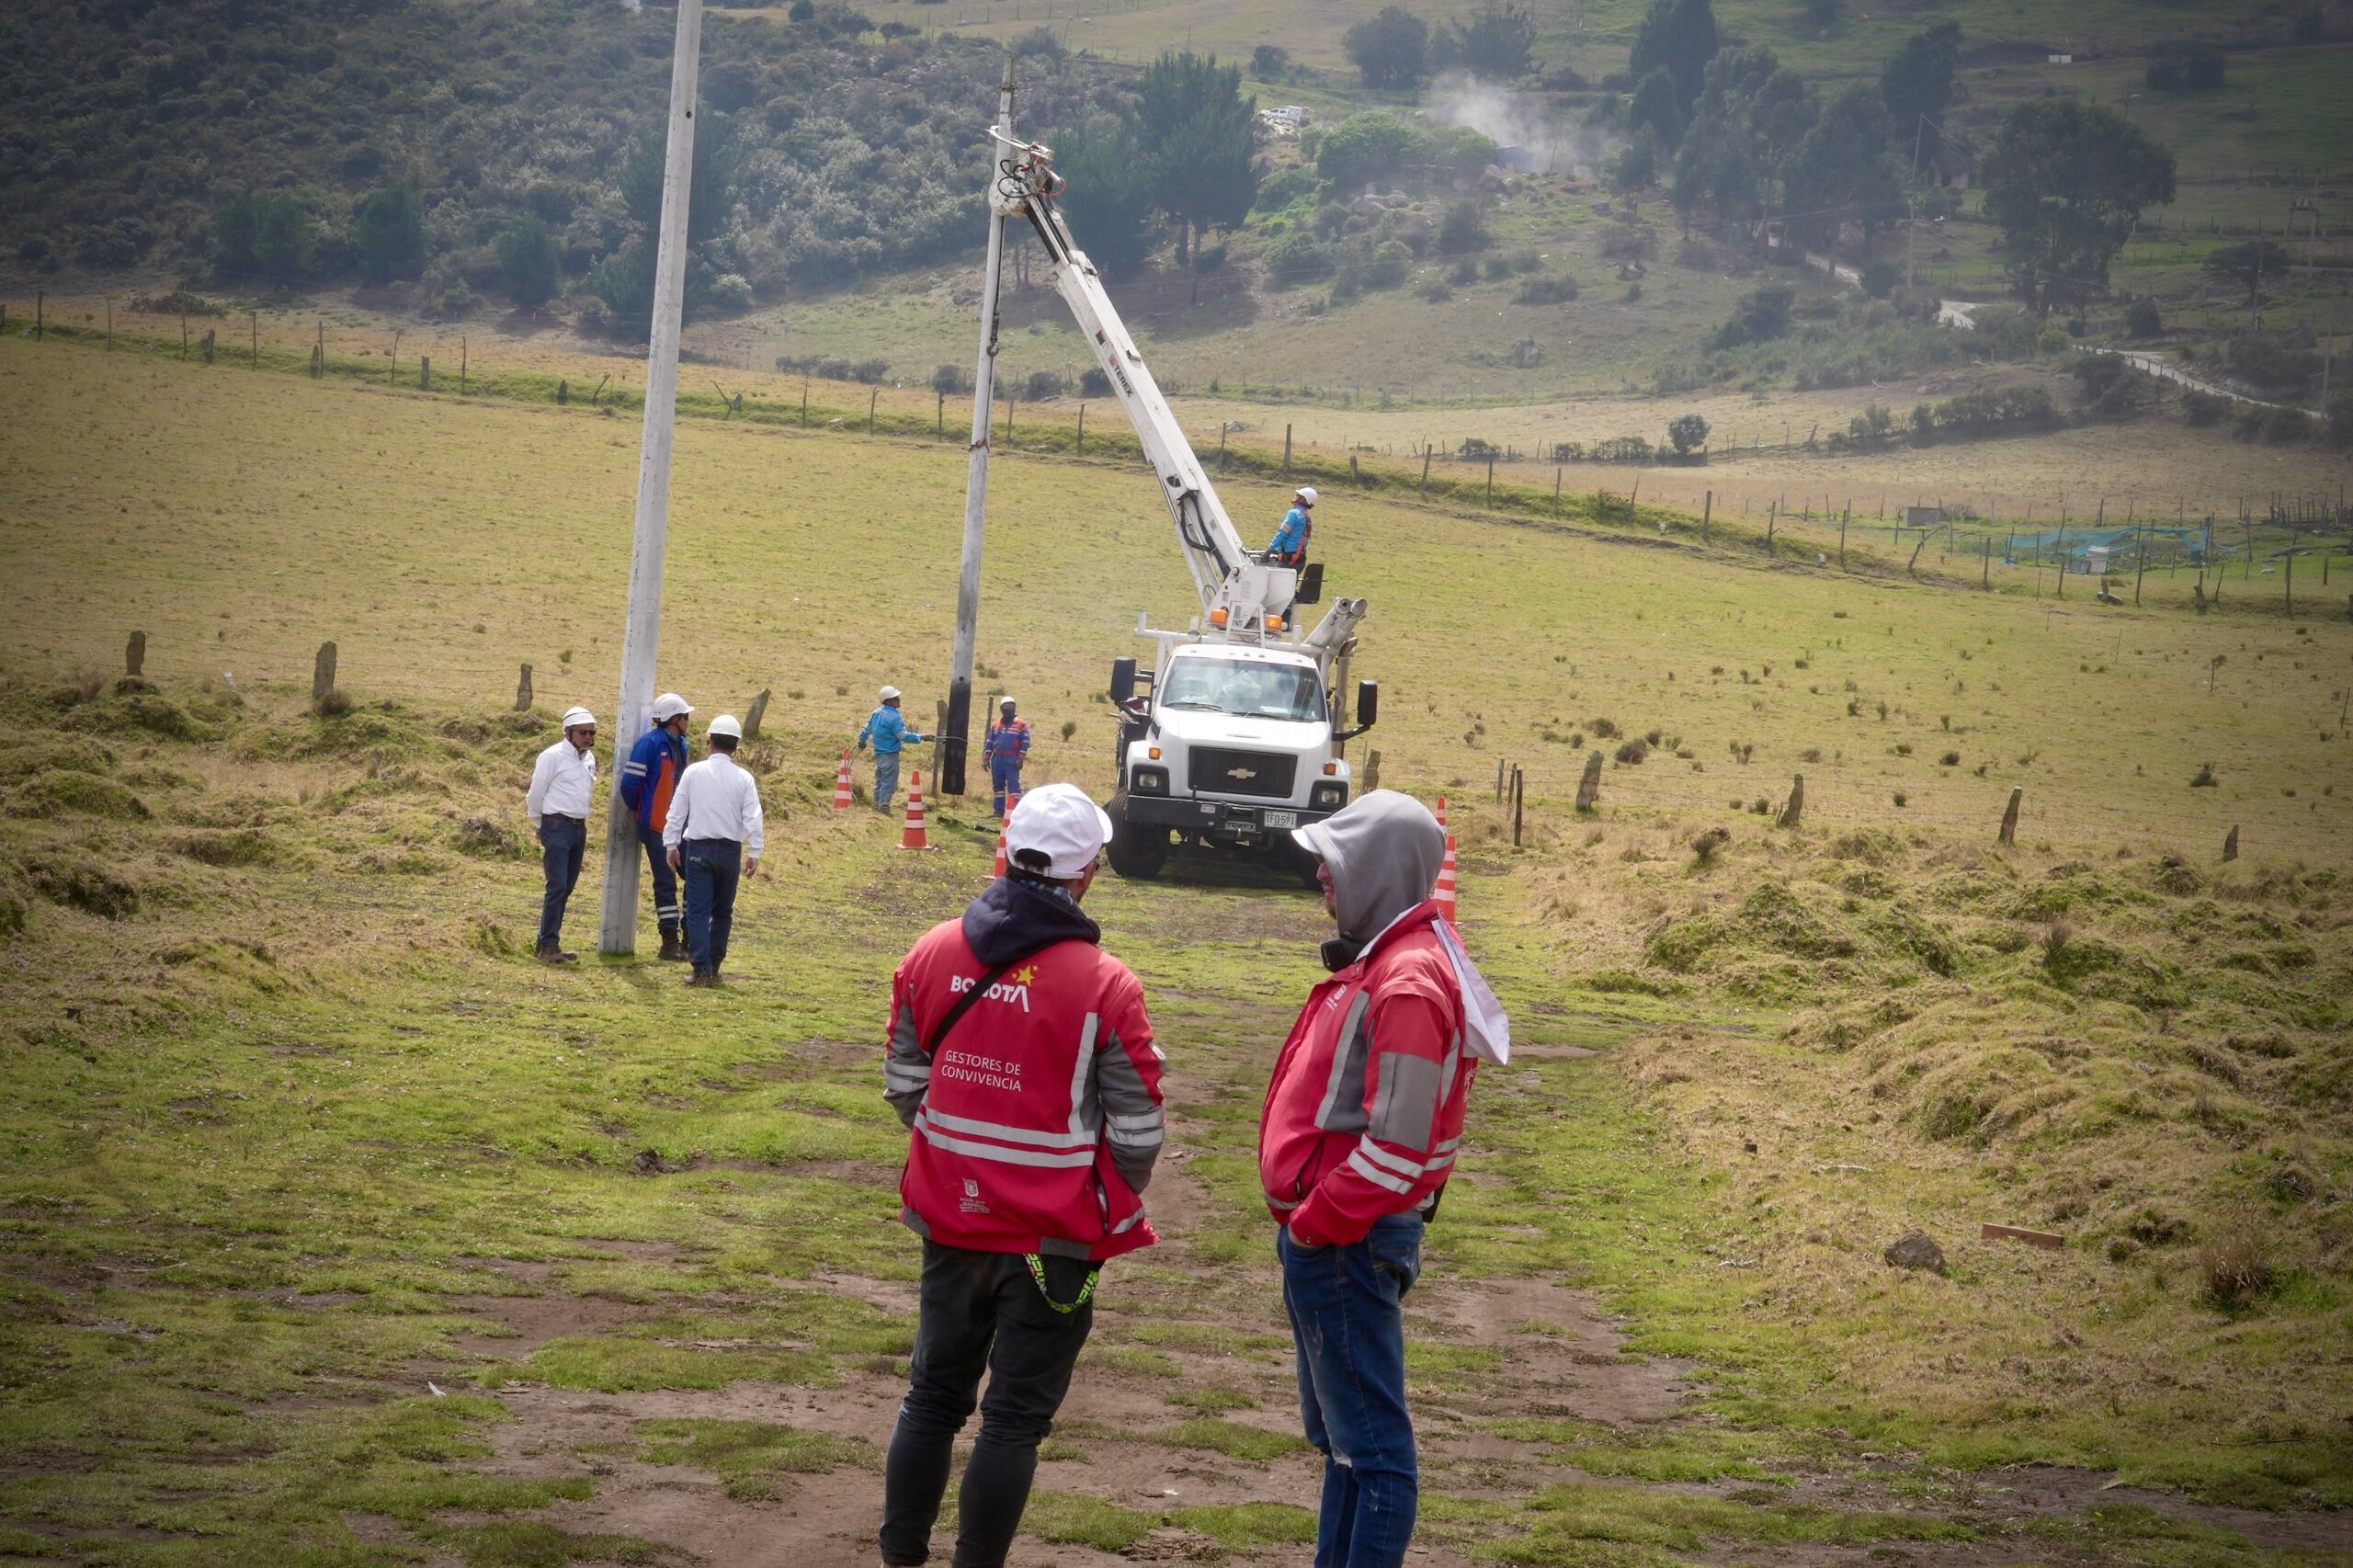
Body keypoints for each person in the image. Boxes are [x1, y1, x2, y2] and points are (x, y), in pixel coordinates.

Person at [878, 783, 1165, 1568]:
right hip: (1053, 1243)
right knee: (1011, 1420)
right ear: (1087, 875)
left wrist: (958, 1159)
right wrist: (1106, 1194)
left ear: (1003, 857)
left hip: (950, 1225)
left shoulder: (930, 952)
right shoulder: (1108, 986)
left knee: (932, 1402)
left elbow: (904, 1083)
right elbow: (1138, 1130)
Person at [1258, 790, 1509, 1568]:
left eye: (1335, 863)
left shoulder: (1404, 981)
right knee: (1347, 1447)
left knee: (1371, 1455)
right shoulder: (1403, 961)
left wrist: (1312, 1225)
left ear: (1376, 870)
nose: (1323, 881)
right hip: (1344, 1240)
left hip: (1346, 1243)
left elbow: (1395, 1151)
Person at [662, 714, 762, 988]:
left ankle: (701, 968)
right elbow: (753, 816)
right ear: (736, 746)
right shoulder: (744, 778)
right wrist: (754, 851)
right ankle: (714, 965)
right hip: (730, 850)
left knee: (697, 910)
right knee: (722, 911)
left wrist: (671, 844)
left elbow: (677, 811)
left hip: (698, 848)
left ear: (709, 742)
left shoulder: (694, 772)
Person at [619, 692, 694, 961]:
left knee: (694, 880)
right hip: (656, 827)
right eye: (686, 716)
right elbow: (629, 785)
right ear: (674, 719)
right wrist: (643, 812)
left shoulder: (682, 745)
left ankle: (690, 940)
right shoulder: (649, 744)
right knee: (665, 884)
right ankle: (669, 943)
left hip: (682, 827)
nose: (689, 720)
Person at [523, 706, 598, 964]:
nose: (588, 737)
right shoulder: (552, 756)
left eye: (591, 733)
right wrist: (538, 823)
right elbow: (536, 792)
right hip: (556, 825)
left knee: (566, 887)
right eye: (583, 732)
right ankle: (548, 945)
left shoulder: (589, 758)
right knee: (557, 885)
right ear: (569, 732)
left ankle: (545, 940)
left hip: (579, 827)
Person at [858, 685, 926, 815]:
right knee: (889, 782)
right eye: (896, 698)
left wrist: (862, 740)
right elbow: (903, 736)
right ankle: (884, 806)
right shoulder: (895, 717)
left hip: (879, 754)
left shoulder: (876, 713)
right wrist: (921, 737)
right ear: (888, 701)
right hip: (890, 754)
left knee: (879, 780)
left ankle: (876, 805)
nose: (899, 700)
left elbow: (867, 729)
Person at [982, 697, 1030, 820]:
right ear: (1001, 708)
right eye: (1005, 706)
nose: (1008, 709)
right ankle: (999, 812)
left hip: (1012, 758)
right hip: (997, 758)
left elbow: (1025, 741)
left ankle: (1015, 813)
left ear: (1014, 707)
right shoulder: (996, 724)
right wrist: (986, 758)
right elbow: (989, 741)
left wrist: (1021, 758)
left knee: (1013, 786)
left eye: (1010, 706)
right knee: (998, 786)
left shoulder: (1021, 724)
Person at [1268, 485, 1317, 567]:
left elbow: (1282, 533)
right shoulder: (1306, 516)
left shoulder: (1293, 513)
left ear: (1302, 499)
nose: (1295, 496)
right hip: (1299, 559)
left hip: (1288, 559)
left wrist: (1271, 548)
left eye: (1298, 495)